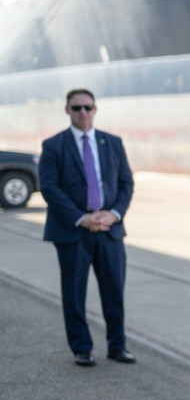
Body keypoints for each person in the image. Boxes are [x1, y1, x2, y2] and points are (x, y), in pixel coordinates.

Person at [38, 88, 136, 367]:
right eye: (77, 108)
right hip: (72, 232)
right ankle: (81, 348)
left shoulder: (112, 142)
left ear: (95, 109)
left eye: (88, 107)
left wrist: (113, 215)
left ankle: (118, 346)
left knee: (114, 292)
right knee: (74, 294)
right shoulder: (53, 145)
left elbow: (126, 184)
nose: (83, 112)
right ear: (67, 110)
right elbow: (49, 187)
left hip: (110, 231)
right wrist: (82, 218)